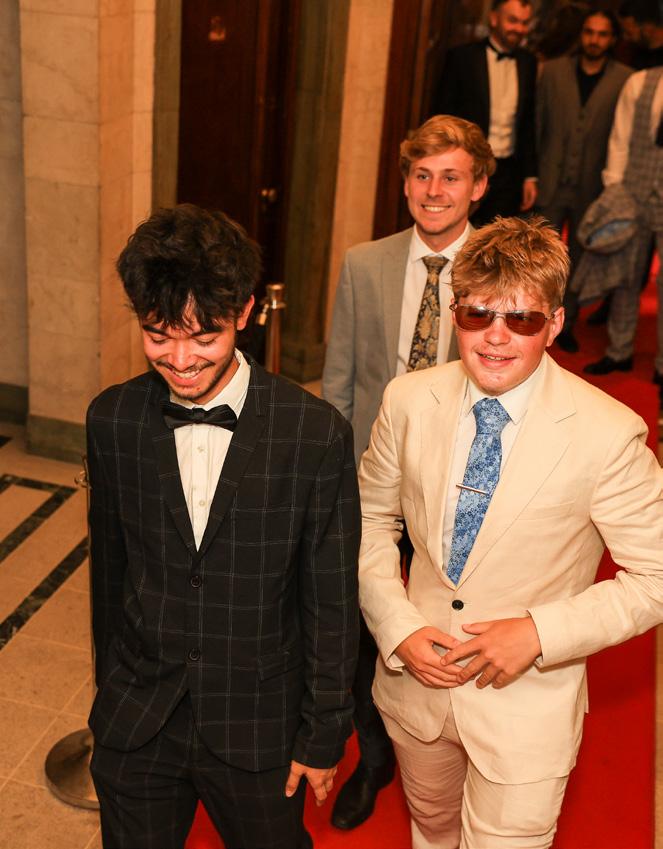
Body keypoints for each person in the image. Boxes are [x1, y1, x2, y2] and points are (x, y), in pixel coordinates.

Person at [358, 216, 663, 848]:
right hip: (417, 686)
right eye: (478, 315)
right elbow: (369, 520)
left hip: (528, 710)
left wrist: (539, 634)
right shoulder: (407, 400)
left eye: (521, 320)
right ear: (455, 314)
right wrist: (397, 624)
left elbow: (656, 575)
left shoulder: (608, 433)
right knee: (431, 830)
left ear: (554, 323)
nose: (495, 338)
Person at [86, 204, 361, 849]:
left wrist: (323, 732)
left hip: (258, 726)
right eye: (158, 335)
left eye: (203, 337)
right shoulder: (112, 419)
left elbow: (330, 598)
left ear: (245, 313)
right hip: (139, 718)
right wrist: (109, 697)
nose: (181, 359)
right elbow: (111, 573)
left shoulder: (314, 433)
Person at [321, 114, 494, 831]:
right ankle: (376, 758)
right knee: (362, 625)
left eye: (451, 176)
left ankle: (449, 747)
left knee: (442, 618)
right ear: (404, 183)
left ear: (478, 186)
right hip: (372, 480)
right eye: (421, 175)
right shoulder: (364, 263)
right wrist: (330, 479)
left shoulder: (502, 264)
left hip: (461, 486)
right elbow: (340, 381)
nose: (434, 190)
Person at [537, 8, 631, 352]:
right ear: (581, 34)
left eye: (603, 34)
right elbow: (536, 124)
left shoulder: (625, 79)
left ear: (613, 39)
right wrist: (532, 175)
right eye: (590, 32)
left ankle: (567, 322)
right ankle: (534, 317)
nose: (595, 40)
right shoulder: (552, 71)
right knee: (539, 254)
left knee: (577, 258)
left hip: (592, 187)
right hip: (550, 179)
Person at [583, 62, 663, 406]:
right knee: (625, 275)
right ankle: (619, 352)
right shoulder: (640, 82)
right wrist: (615, 189)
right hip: (633, 191)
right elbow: (620, 137)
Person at [434, 0, 537, 224]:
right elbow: (443, 115)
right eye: (513, 20)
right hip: (468, 164)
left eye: (524, 23)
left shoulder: (528, 63)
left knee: (497, 237)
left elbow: (528, 123)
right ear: (493, 18)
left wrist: (530, 176)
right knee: (457, 229)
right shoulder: (462, 58)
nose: (519, 28)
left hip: (508, 173)